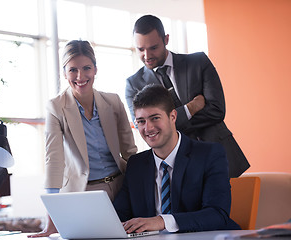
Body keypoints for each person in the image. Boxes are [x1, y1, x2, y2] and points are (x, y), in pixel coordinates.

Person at [29, 40, 137, 238]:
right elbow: (54, 162)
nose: (80, 76)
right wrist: (52, 219)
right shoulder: (56, 108)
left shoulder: (113, 102)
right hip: (84, 193)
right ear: (64, 73)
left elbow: (130, 153)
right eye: (73, 70)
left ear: (95, 69)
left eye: (87, 68)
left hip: (121, 188)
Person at [125, 15, 249, 178]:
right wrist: (191, 108)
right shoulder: (134, 85)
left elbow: (217, 110)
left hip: (222, 156)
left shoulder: (199, 62)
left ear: (166, 39)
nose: (147, 55)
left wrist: (171, 123)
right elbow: (150, 130)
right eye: (141, 49)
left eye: (153, 47)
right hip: (179, 166)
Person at [113, 84, 240, 233]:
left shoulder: (209, 155)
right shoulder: (136, 164)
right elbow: (119, 215)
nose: (148, 128)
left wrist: (162, 221)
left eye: (155, 118)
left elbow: (217, 214)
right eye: (141, 121)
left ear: (173, 116)